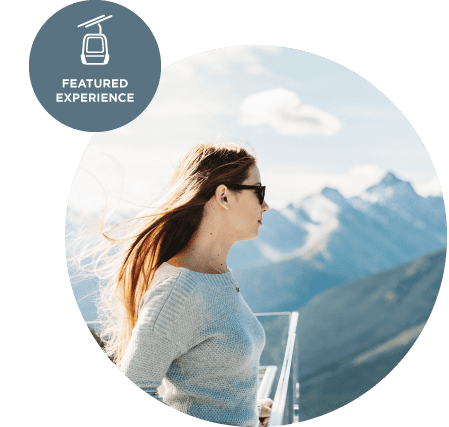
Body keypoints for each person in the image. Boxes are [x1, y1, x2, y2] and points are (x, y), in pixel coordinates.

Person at [99, 143, 272, 427]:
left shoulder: (216, 274)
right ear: (224, 196)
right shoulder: (177, 291)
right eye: (259, 191)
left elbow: (204, 382)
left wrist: (247, 411)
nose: (266, 205)